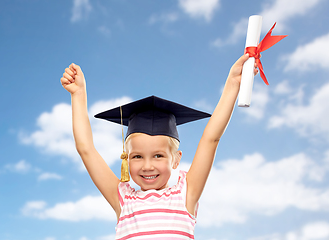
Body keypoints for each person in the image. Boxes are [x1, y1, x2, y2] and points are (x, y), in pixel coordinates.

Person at [60, 54, 258, 239]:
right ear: (126, 159)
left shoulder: (185, 194)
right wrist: (78, 95)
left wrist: (233, 85)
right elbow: (86, 149)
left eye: (158, 156)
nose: (147, 166)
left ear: (176, 159)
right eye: (137, 156)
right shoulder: (123, 200)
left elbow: (210, 139)